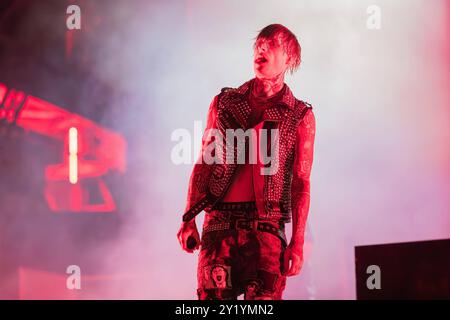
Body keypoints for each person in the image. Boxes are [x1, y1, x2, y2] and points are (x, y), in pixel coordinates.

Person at [177, 24, 316, 300]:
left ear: (289, 58)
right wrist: (189, 218)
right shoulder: (224, 103)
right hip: (219, 227)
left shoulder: (300, 115)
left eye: (270, 44)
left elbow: (301, 183)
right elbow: (204, 164)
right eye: (258, 44)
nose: (260, 49)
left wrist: (297, 242)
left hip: (265, 232)